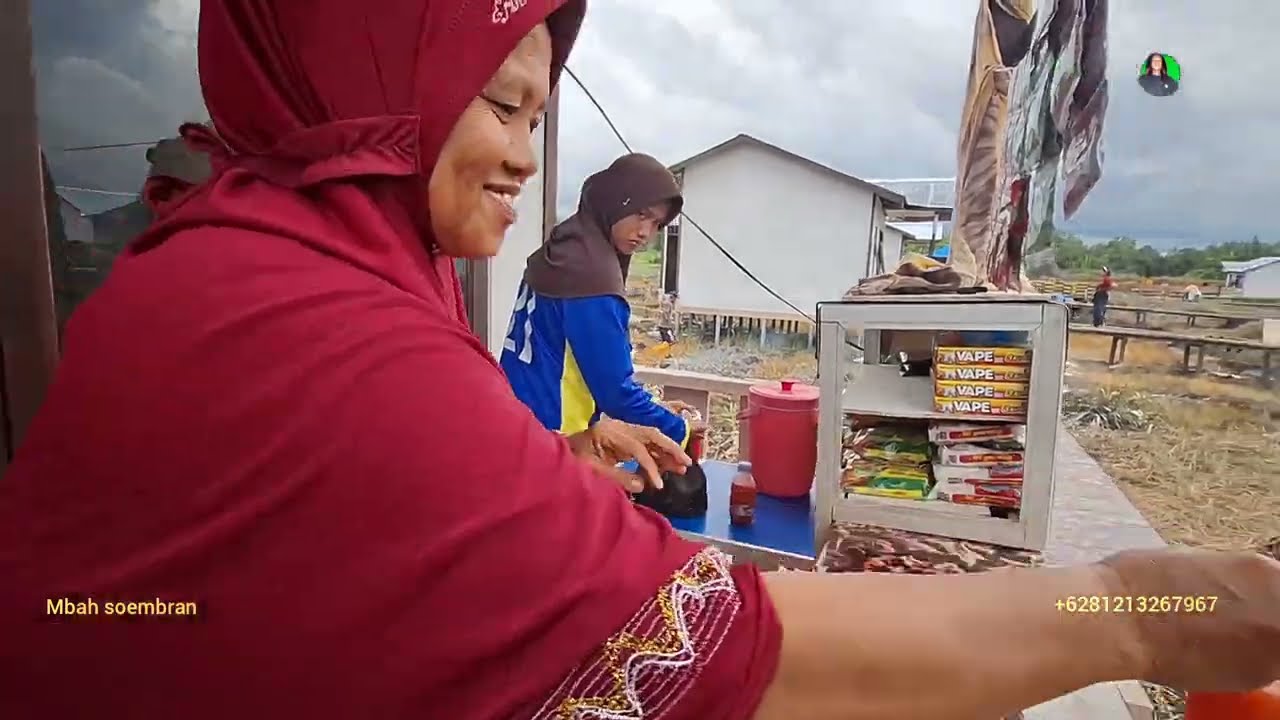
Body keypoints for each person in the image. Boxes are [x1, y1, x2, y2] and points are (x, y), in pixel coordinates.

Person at [2, 2, 1279, 719]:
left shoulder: (222, 264)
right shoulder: (327, 333)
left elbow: (271, 567)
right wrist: (1140, 610)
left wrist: (561, 451)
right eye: (497, 104)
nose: (517, 153)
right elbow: (771, 658)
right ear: (366, 81)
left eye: (535, 117)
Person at [502, 153, 693, 448]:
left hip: (513, 423)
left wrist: (656, 408)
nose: (645, 232)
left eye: (657, 223)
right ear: (617, 202)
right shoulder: (591, 280)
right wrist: (682, 430)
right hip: (555, 439)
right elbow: (617, 393)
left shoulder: (565, 249)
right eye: (641, 214)